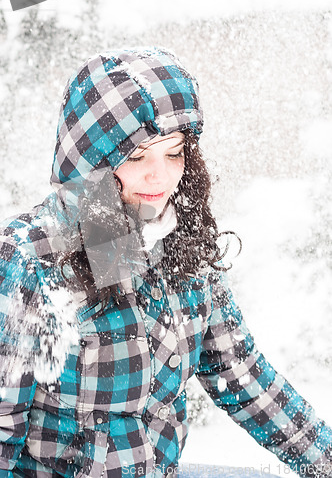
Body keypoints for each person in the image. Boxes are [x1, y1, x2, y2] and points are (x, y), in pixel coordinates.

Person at [0, 47, 331, 478]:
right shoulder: (30, 262)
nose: (160, 176)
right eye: (136, 157)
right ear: (91, 165)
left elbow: (246, 382)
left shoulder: (182, 249)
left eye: (173, 153)